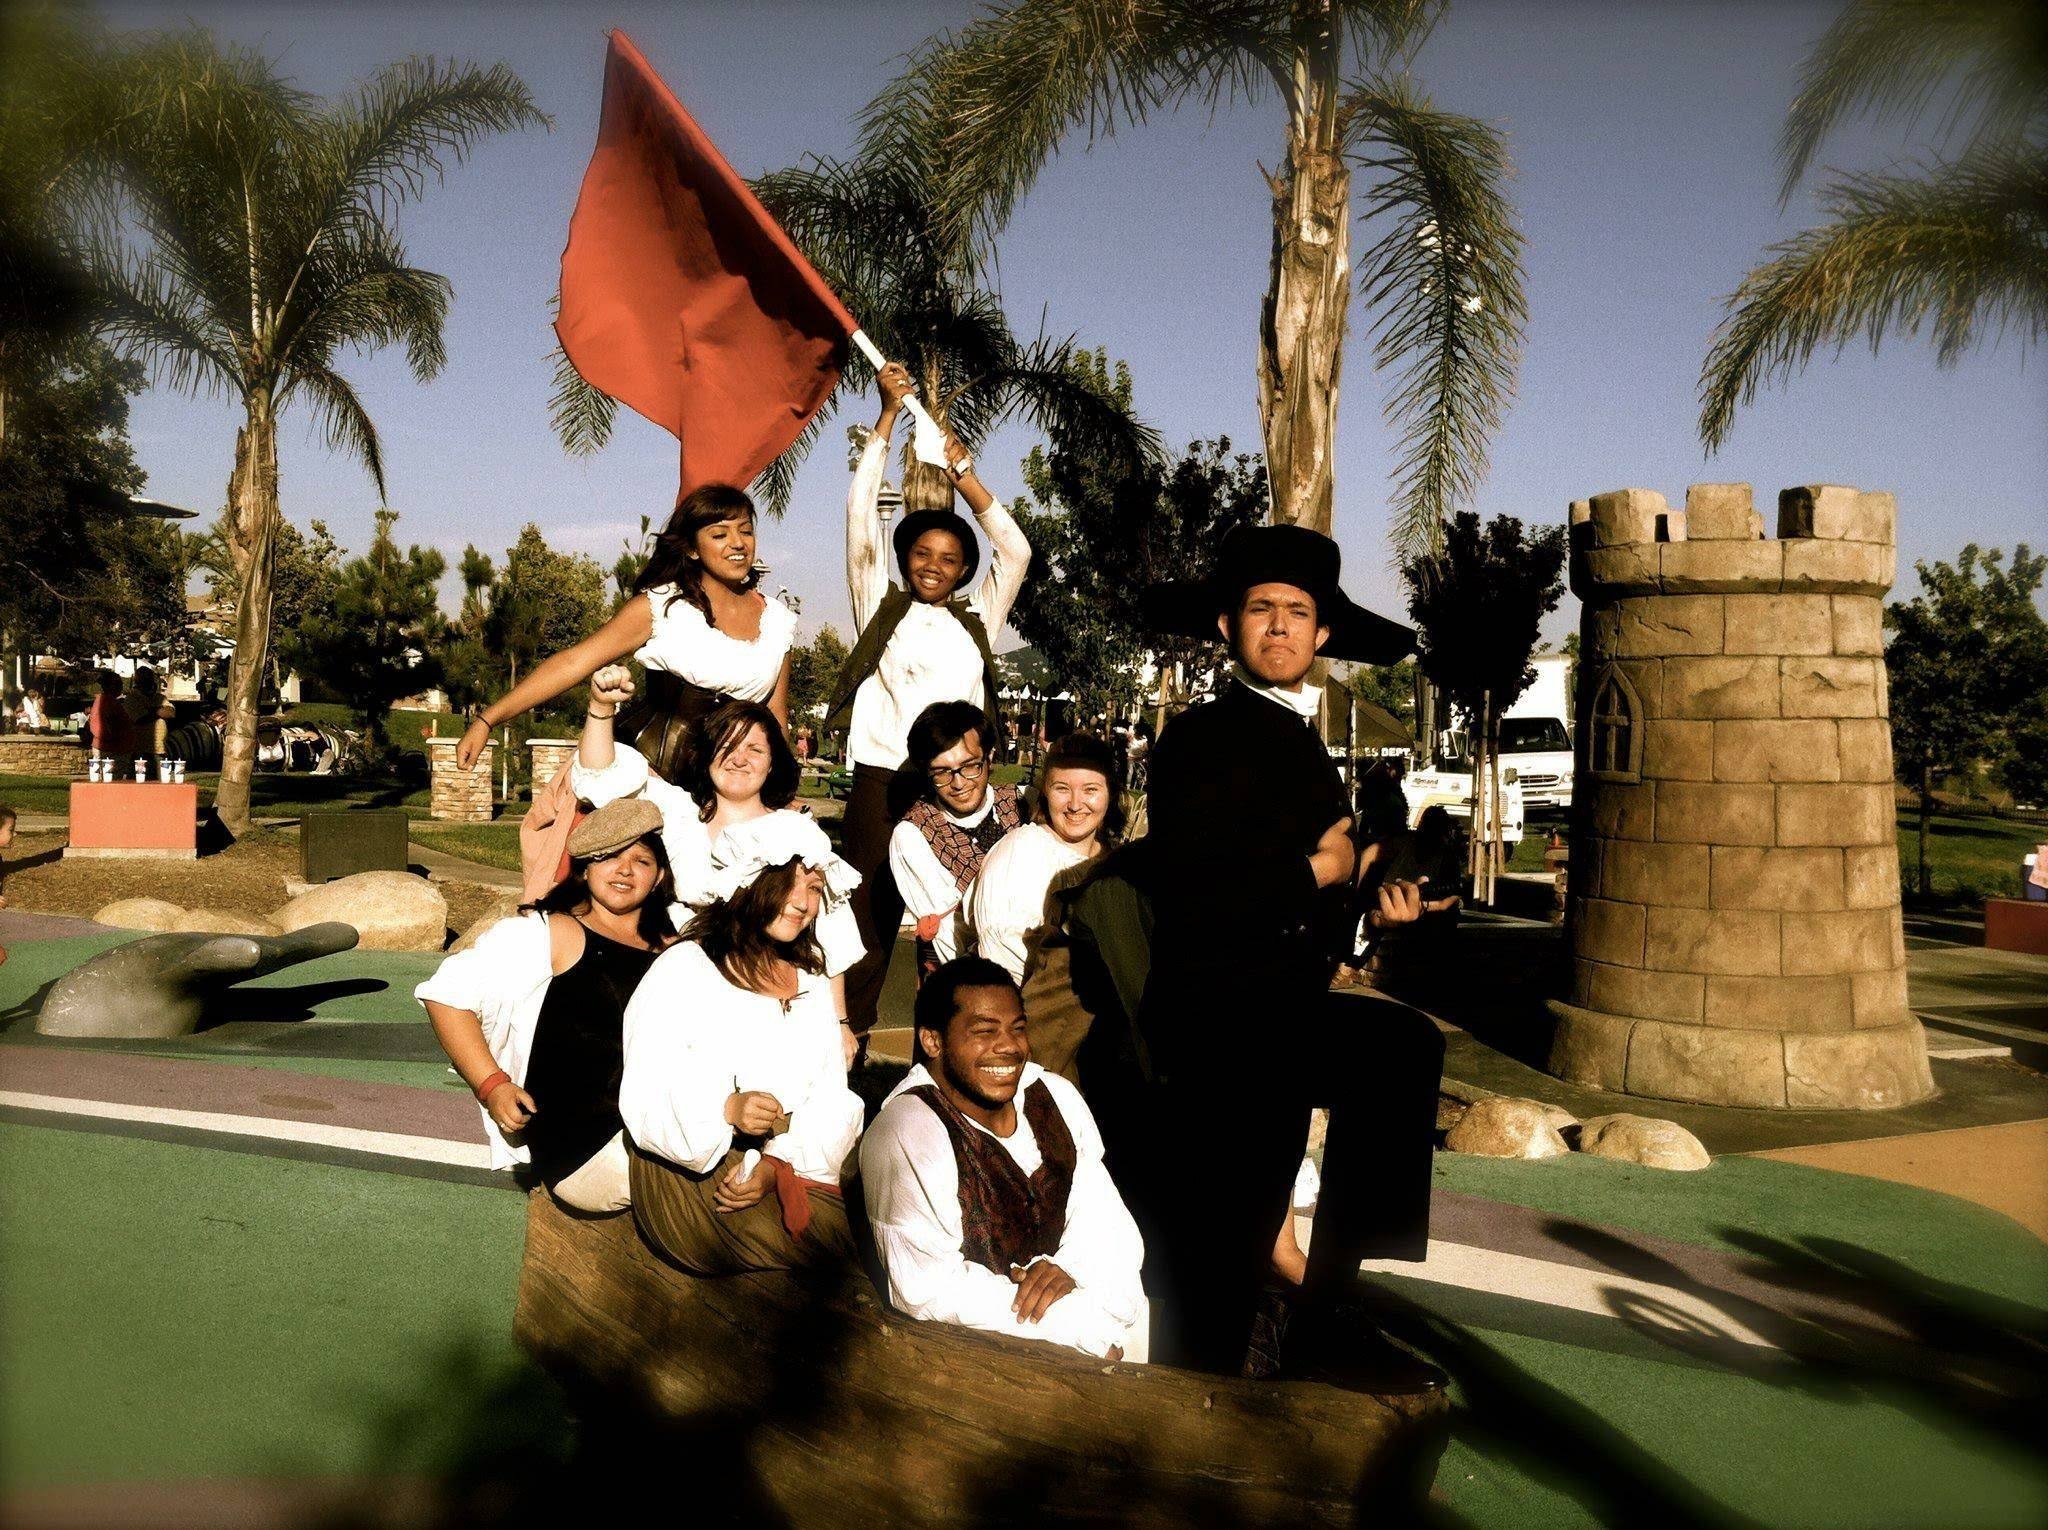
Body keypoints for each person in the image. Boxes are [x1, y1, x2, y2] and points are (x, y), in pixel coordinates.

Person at [1072, 522, 1445, 1390]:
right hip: (1212, 1024)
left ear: (1323, 634)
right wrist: (1324, 869)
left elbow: (1305, 909)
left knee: (1400, 1049)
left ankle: (1326, 1299)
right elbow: (1202, 892)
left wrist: (1373, 914)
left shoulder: (1301, 734)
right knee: (1208, 1267)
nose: (1279, 625)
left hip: (1277, 1012)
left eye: (1298, 612)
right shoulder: (1200, 737)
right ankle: (1217, 1385)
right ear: (1227, 626)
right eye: (1261, 609)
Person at [827, 360, 1031, 1040]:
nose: (933, 566)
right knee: (867, 916)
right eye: (921, 553)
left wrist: (964, 475)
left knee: (963, 920)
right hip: (885, 782)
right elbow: (859, 518)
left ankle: (954, 1048)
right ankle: (850, 1041)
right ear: (905, 556)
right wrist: (887, 417)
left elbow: (1016, 550)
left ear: (965, 569)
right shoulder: (879, 608)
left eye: (949, 558)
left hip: (959, 787)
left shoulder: (979, 620)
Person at [861, 957, 1147, 1361]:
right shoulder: (907, 1130)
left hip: (1094, 1320)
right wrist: (1077, 1322)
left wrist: (1073, 1271)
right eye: (984, 1032)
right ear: (933, 1042)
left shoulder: (1055, 1095)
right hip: (973, 1361)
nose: (1010, 1046)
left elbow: (1106, 1222)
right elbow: (926, 1288)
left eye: (1018, 1028)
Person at [566, 668, 864, 1048]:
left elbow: (829, 934)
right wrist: (601, 707)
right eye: (727, 746)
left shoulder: (795, 832)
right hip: (684, 989)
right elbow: (599, 780)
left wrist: (839, 1021)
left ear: (772, 763)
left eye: (754, 749)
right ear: (708, 756)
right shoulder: (677, 814)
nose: (739, 759)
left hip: (765, 996)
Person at [620, 814, 864, 1275]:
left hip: (783, 1164)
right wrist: (727, 1109)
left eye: (814, 888)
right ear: (750, 882)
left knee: (868, 1241)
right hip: (690, 1171)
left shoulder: (810, 980)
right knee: (837, 1261)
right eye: (788, 884)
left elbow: (832, 1096)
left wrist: (777, 1164)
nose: (803, 903)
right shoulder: (687, 969)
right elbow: (648, 1088)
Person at [416, 799, 675, 1212]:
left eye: (641, 861)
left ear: (659, 876)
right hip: (585, 1144)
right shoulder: (551, 934)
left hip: (663, 1125)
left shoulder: (678, 950)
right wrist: (493, 1085)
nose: (625, 870)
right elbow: (447, 995)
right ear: (584, 869)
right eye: (609, 857)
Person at [455, 483, 796, 783]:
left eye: (746, 531)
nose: (737, 543)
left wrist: (782, 789)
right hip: (642, 778)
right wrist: (487, 720)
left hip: (730, 786)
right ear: (692, 549)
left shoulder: (778, 621)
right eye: (720, 535)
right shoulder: (661, 607)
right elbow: (574, 663)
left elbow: (776, 716)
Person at [961, 733, 1121, 987]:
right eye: (1062, 788)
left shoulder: (1117, 862)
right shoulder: (1023, 851)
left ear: (1110, 793)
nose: (1075, 804)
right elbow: (1001, 950)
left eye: (1090, 789)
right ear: (1045, 790)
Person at [889, 701, 1023, 979]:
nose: (959, 783)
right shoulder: (914, 835)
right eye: (941, 772)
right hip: (976, 977)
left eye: (970, 766)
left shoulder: (1023, 803)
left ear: (989, 756)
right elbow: (955, 936)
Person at [87, 671, 134, 761]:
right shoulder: (105, 702)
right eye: (118, 684)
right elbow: (99, 728)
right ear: (109, 686)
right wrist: (114, 738)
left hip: (114, 749)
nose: (121, 686)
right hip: (110, 750)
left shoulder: (110, 701)